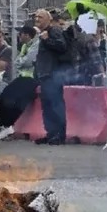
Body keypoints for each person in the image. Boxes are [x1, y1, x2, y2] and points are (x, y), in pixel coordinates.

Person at [33, 8, 68, 145]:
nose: (37, 19)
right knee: (46, 106)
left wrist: (47, 39)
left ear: (49, 19)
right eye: (36, 17)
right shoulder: (43, 33)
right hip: (44, 75)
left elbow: (62, 46)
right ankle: (51, 134)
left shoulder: (54, 31)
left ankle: (60, 135)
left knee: (55, 104)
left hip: (53, 75)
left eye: (40, 17)